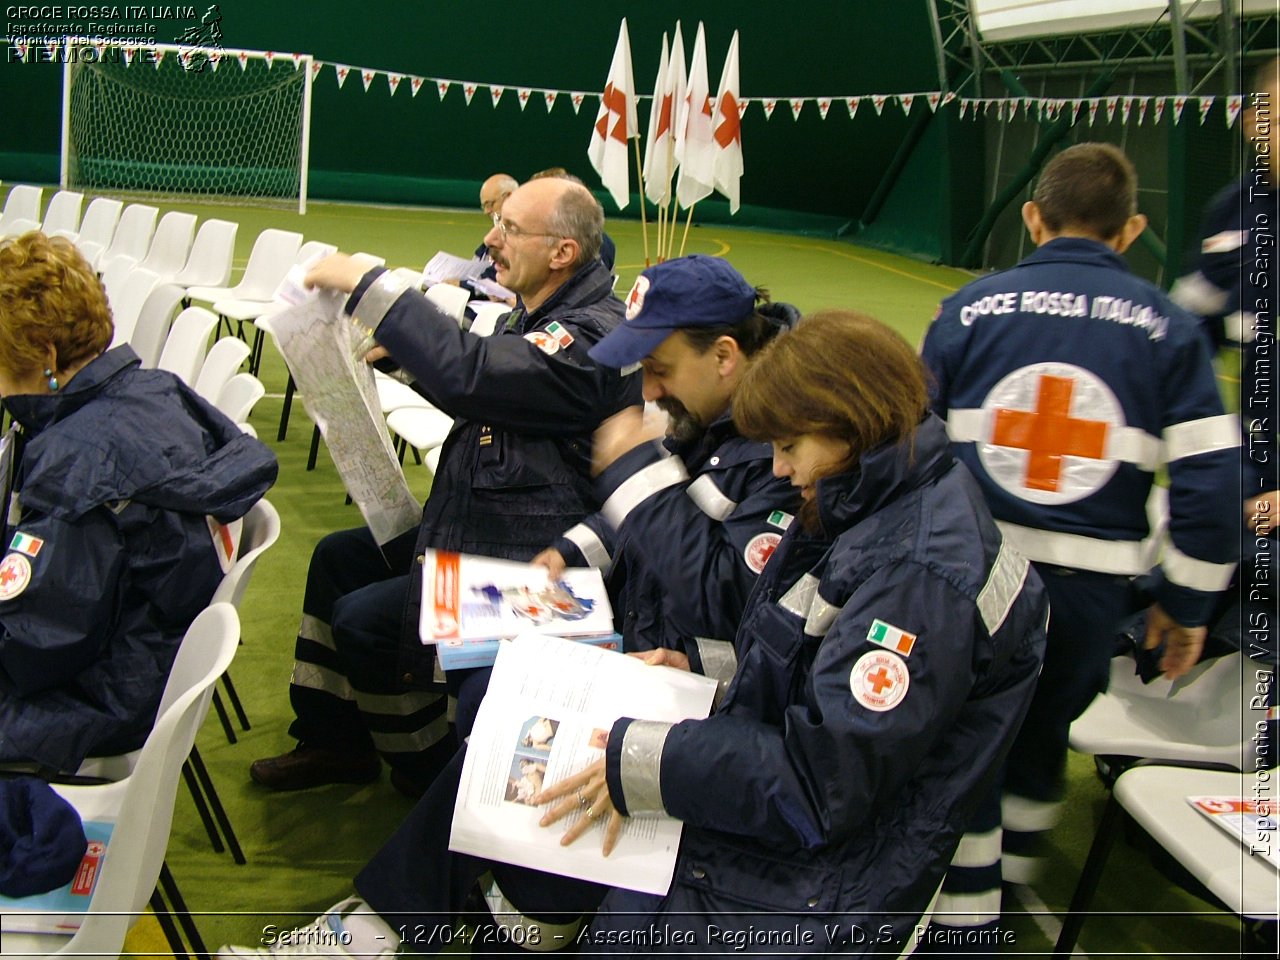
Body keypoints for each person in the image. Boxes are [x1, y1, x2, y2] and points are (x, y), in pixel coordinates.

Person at [218, 310, 1048, 959]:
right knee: (525, 752)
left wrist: (639, 761)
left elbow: (818, 785)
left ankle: (401, 927)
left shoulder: (916, 572)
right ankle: (384, 928)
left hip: (817, 885)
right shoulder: (865, 497)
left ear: (853, 423)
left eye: (791, 448)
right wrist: (692, 673)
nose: (784, 469)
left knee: (557, 801)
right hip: (773, 799)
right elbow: (794, 663)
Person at [920, 142, 1239, 922]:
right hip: (1087, 602)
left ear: (1031, 218)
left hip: (969, 586)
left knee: (961, 745)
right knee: (1041, 736)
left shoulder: (966, 312)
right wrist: (1185, 608)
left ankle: (963, 917)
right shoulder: (1167, 328)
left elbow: (913, 449)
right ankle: (1020, 879)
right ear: (1130, 230)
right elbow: (1216, 485)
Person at [249, 177, 641, 796]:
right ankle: (334, 741)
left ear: (562, 252)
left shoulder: (590, 336)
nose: (490, 241)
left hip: (540, 572)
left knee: (366, 621)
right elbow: (506, 400)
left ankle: (428, 772)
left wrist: (367, 284)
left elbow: (479, 375)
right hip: (495, 530)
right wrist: (404, 362)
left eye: (509, 228)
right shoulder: (545, 312)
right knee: (338, 560)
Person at [0, 231, 277, 775]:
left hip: (102, 695)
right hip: (148, 660)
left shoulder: (73, 464)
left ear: (44, 355)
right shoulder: (158, 389)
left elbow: (36, 651)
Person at [541, 254, 801, 683]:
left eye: (659, 370)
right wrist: (571, 552)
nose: (648, 390)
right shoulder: (708, 412)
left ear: (724, 356)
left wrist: (635, 476)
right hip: (642, 647)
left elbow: (728, 603)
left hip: (692, 693)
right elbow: (664, 509)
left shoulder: (785, 449)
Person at [1170, 55, 1278, 766]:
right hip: (1249, 475)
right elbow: (1187, 333)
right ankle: (1183, 752)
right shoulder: (1233, 211)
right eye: (1268, 113)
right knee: (1172, 562)